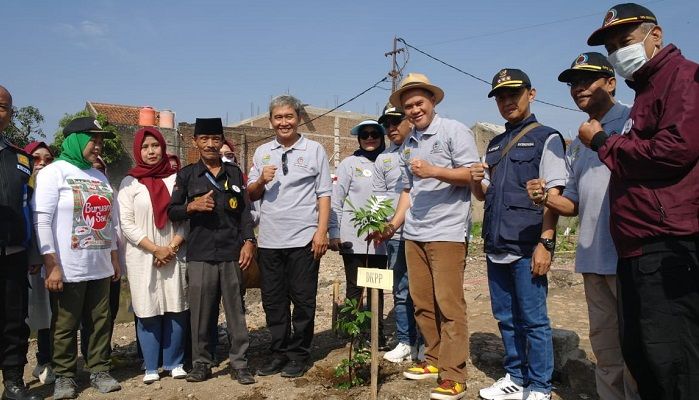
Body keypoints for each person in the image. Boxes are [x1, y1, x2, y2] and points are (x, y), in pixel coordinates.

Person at [579, 4, 699, 398]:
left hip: (667, 243)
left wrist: (602, 142)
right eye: (612, 47)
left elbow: (674, 150)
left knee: (673, 360)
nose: (619, 52)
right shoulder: (647, 89)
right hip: (635, 247)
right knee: (642, 353)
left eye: (625, 41)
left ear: (656, 35)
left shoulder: (683, 77)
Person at [526, 53, 638, 400]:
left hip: (629, 257)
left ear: (611, 82)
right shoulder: (579, 141)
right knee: (606, 352)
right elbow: (572, 204)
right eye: (573, 83)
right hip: (593, 258)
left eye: (586, 80)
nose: (578, 88)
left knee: (638, 352)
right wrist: (545, 197)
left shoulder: (632, 120)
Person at [378, 73, 478, 400]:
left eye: (419, 103)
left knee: (449, 304)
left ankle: (454, 375)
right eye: (408, 106)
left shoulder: (454, 131)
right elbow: (409, 190)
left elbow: (472, 175)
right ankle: (433, 358)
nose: (414, 110)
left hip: (446, 231)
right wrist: (394, 224)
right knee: (422, 301)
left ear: (432, 101)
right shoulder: (407, 144)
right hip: (414, 231)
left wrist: (435, 170)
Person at [471, 69, 567, 400]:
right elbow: (486, 193)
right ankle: (515, 376)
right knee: (506, 317)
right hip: (497, 243)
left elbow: (554, 197)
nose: (507, 101)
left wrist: (546, 243)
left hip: (528, 246)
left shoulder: (547, 138)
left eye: (514, 93)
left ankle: (540, 385)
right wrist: (475, 178)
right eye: (501, 96)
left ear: (531, 93)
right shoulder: (496, 143)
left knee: (534, 320)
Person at [33, 116, 122, 399]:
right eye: (93, 139)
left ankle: (98, 369)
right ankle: (65, 376)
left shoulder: (99, 176)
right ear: (76, 139)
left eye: (99, 141)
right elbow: (42, 222)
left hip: (99, 265)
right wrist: (52, 265)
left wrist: (114, 257)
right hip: (68, 267)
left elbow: (108, 221)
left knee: (100, 321)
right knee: (64, 325)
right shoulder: (54, 173)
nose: (98, 146)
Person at [247, 95, 332, 378]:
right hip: (270, 240)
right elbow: (251, 194)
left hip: (304, 239)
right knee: (273, 300)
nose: (284, 122)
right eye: (278, 117)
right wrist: (261, 180)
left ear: (297, 119)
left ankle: (299, 354)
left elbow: (324, 193)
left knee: (304, 299)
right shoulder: (261, 153)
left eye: (289, 117)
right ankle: (279, 351)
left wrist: (322, 232)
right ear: (270, 121)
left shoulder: (314, 149)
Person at [168, 118, 256, 385]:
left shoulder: (234, 174)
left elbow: (244, 213)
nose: (210, 144)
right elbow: (172, 211)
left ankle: (240, 363)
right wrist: (191, 207)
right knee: (201, 313)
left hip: (232, 252)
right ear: (195, 142)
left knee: (236, 313)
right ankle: (201, 363)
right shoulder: (185, 175)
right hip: (201, 254)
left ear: (222, 141)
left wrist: (249, 241)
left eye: (215, 139)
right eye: (204, 139)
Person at [118, 127, 188, 384]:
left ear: (163, 148)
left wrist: (171, 247)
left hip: (174, 250)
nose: (151, 151)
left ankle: (175, 362)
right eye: (145, 147)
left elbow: (184, 217)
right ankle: (150, 366)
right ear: (138, 150)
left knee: (175, 305)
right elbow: (126, 223)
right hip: (142, 254)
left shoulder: (177, 180)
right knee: (147, 309)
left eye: (155, 146)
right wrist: (154, 248)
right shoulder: (129, 182)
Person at [329, 119, 388, 348]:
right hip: (353, 237)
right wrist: (334, 232)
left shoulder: (388, 161)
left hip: (381, 238)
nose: (370, 138)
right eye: (365, 135)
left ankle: (376, 334)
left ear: (382, 136)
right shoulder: (349, 164)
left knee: (377, 286)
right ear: (359, 139)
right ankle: (355, 333)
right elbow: (337, 199)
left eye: (375, 134)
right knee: (355, 286)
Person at [0, 85, 42, 400]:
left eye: (4, 107)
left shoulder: (22, 160)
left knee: (14, 322)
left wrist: (33, 251)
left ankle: (14, 382)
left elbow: (29, 206)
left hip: (13, 255)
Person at [372, 105, 422, 363]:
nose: (391, 127)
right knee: (400, 290)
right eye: (387, 123)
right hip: (395, 235)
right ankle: (406, 341)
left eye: (396, 121)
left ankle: (426, 343)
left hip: (423, 232)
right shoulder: (384, 159)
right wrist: (377, 223)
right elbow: (379, 197)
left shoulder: (420, 149)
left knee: (424, 291)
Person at [23, 141, 56, 386]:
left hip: (48, 262)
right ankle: (14, 369)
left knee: (47, 315)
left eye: (47, 159)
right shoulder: (20, 187)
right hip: (19, 262)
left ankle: (44, 362)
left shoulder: (54, 189)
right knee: (18, 317)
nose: (42, 163)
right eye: (35, 158)